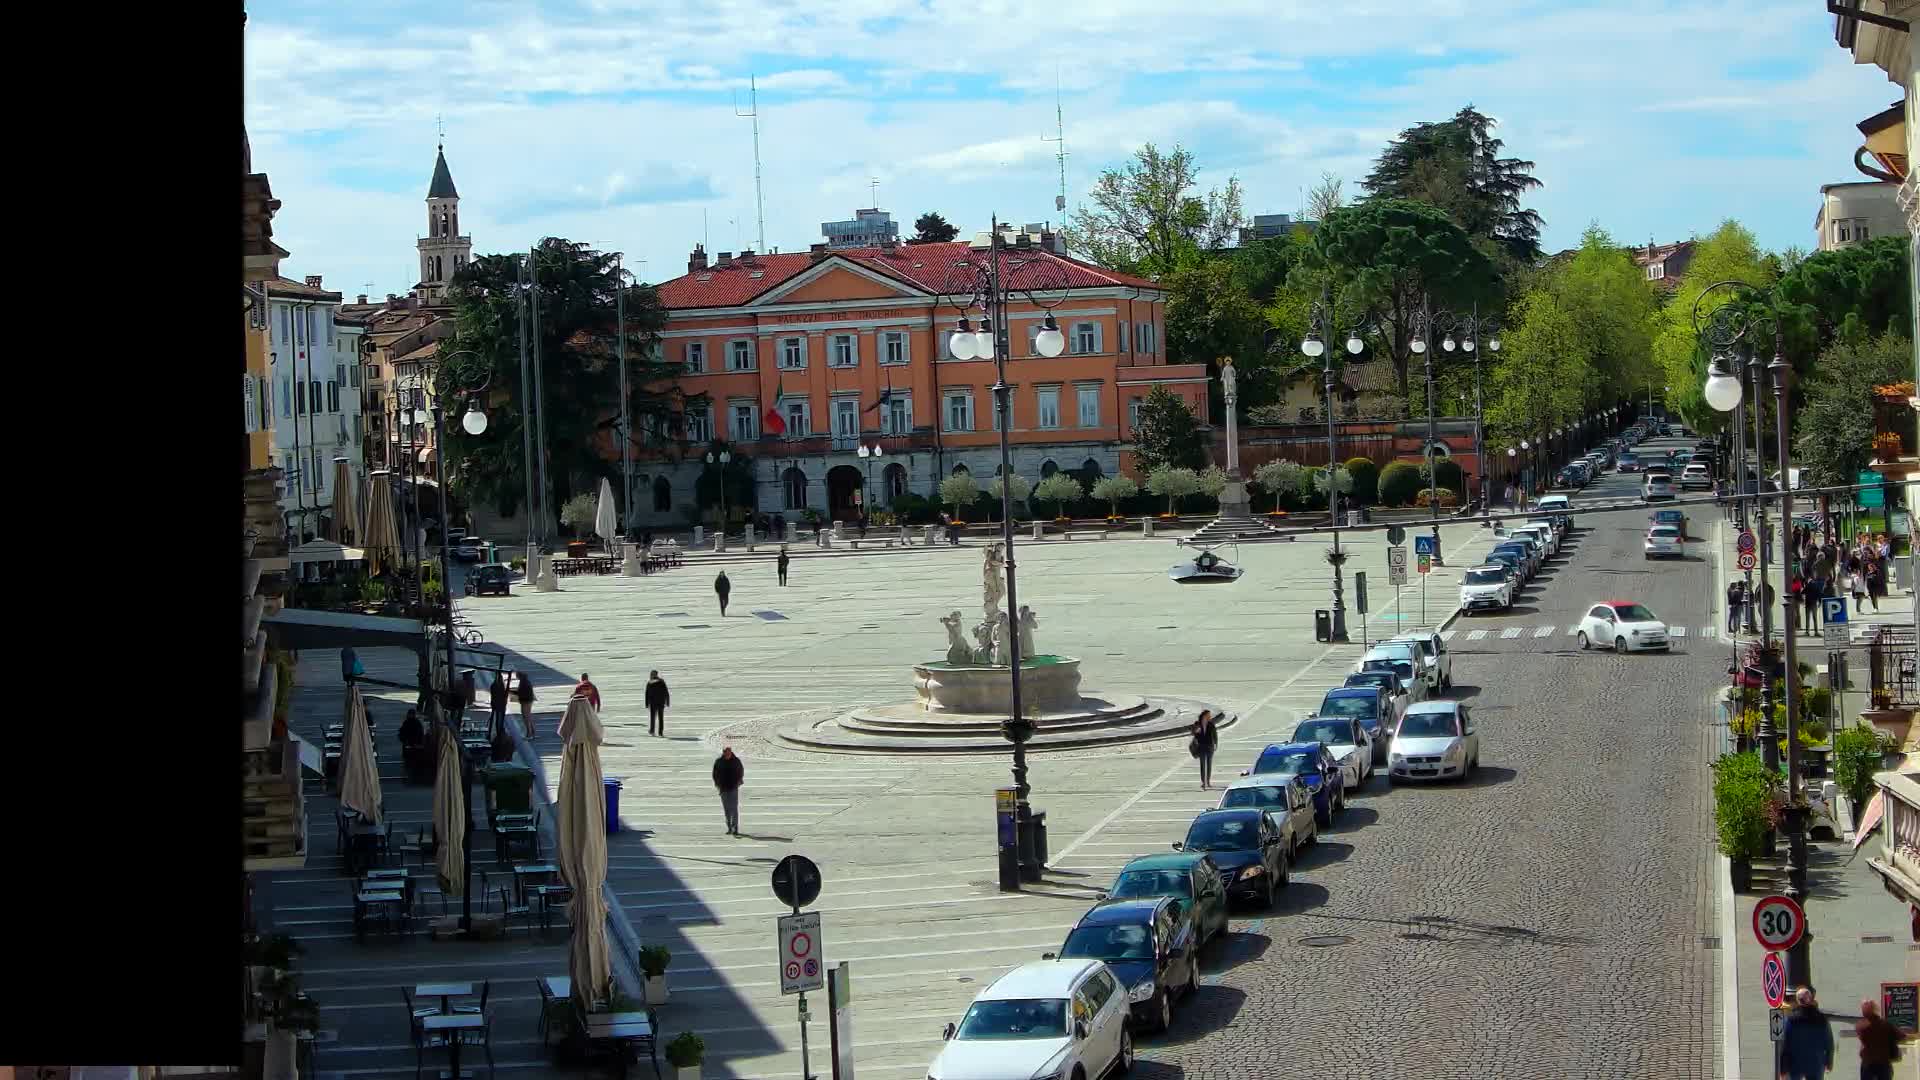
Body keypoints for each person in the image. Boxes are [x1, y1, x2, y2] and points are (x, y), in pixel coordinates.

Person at [1777, 986, 1835, 1080]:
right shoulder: (1822, 1019)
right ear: (1811, 999)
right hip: (1816, 1064)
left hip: (1795, 1064)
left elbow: (1785, 1045)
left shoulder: (1791, 1020)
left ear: (1798, 1000)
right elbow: (1829, 1043)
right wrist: (1829, 1062)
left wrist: (1783, 1069)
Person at [1855, 997, 1903, 1080]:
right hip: (1883, 1063)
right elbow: (1901, 1036)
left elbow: (1862, 1039)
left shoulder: (1860, 1025)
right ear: (1876, 1010)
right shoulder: (1886, 1025)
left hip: (1867, 1062)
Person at [713, 746, 745, 836]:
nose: (727, 754)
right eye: (725, 753)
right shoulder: (719, 762)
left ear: (731, 752)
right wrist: (718, 784)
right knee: (727, 810)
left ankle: (735, 828)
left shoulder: (736, 761)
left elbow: (741, 772)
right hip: (723, 789)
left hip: (733, 788)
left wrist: (738, 782)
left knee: (734, 808)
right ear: (723, 753)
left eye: (728, 752)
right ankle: (729, 827)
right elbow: (715, 775)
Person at [1190, 710, 1219, 790]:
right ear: (1204, 716)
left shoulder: (1211, 724)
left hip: (1210, 746)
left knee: (1209, 764)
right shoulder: (1197, 724)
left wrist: (1216, 743)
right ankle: (1203, 782)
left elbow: (1215, 735)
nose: (1210, 717)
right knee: (1202, 765)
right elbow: (1192, 733)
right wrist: (1196, 731)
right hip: (1201, 746)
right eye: (1208, 715)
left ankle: (1208, 781)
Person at [644, 670, 670, 737]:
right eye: (651, 674)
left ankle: (653, 731)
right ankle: (659, 732)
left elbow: (647, 694)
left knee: (654, 717)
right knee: (660, 718)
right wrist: (667, 701)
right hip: (660, 702)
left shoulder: (650, 683)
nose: (651, 675)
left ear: (655, 675)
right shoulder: (661, 681)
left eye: (652, 674)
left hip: (654, 703)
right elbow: (666, 692)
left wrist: (647, 703)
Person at [513, 671, 535, 736]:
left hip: (525, 701)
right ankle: (532, 731)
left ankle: (529, 733)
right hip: (528, 700)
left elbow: (520, 692)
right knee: (528, 716)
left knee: (526, 717)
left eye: (517, 676)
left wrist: (513, 692)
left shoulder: (523, 683)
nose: (516, 677)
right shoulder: (526, 681)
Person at [488, 672, 508, 738]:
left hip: (498, 705)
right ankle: (499, 732)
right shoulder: (501, 686)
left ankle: (499, 732)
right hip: (500, 705)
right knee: (499, 719)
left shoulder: (495, 685)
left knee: (498, 719)